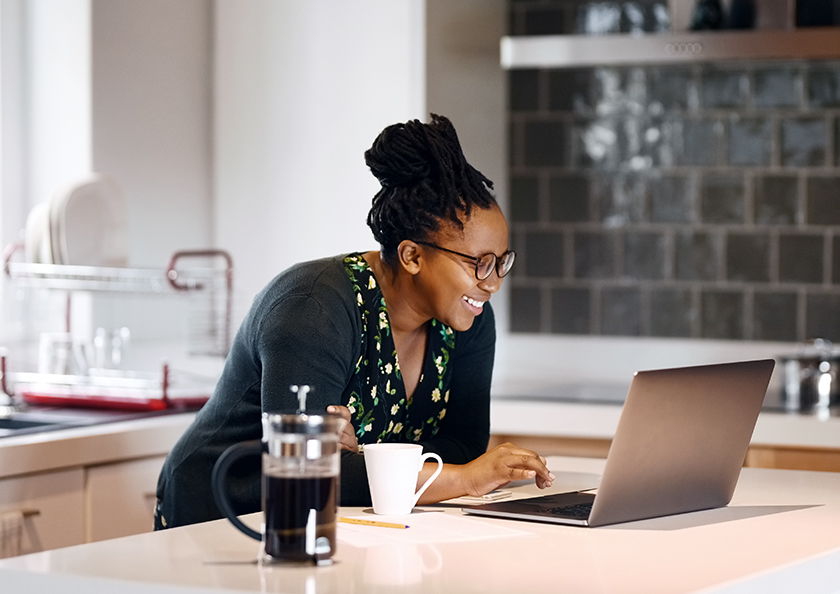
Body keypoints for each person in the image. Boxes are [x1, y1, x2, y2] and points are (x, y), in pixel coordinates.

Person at [154, 114, 554, 530]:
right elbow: (305, 471)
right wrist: (463, 479)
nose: (492, 284)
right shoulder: (313, 309)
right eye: (479, 264)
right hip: (220, 515)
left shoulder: (466, 318)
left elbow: (463, 443)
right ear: (412, 256)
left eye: (501, 262)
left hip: (337, 524)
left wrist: (360, 455)